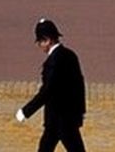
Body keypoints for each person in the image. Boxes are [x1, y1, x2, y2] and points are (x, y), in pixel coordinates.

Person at [16, 19, 87, 152]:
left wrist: (26, 111)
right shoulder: (70, 55)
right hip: (66, 118)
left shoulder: (54, 61)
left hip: (59, 120)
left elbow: (47, 91)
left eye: (40, 41)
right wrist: (81, 111)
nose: (39, 45)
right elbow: (80, 86)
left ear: (48, 40)